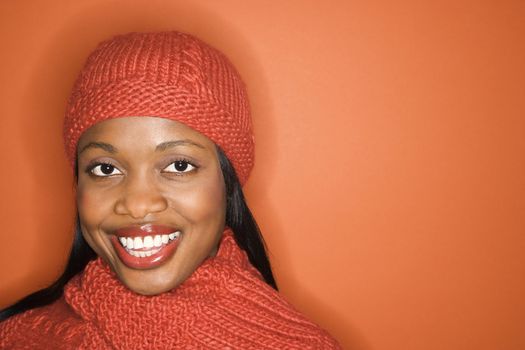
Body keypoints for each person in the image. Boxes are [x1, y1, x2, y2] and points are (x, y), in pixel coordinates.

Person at [0, 31, 340, 349]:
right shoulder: (19, 337)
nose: (137, 204)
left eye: (179, 166)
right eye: (106, 169)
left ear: (227, 181)